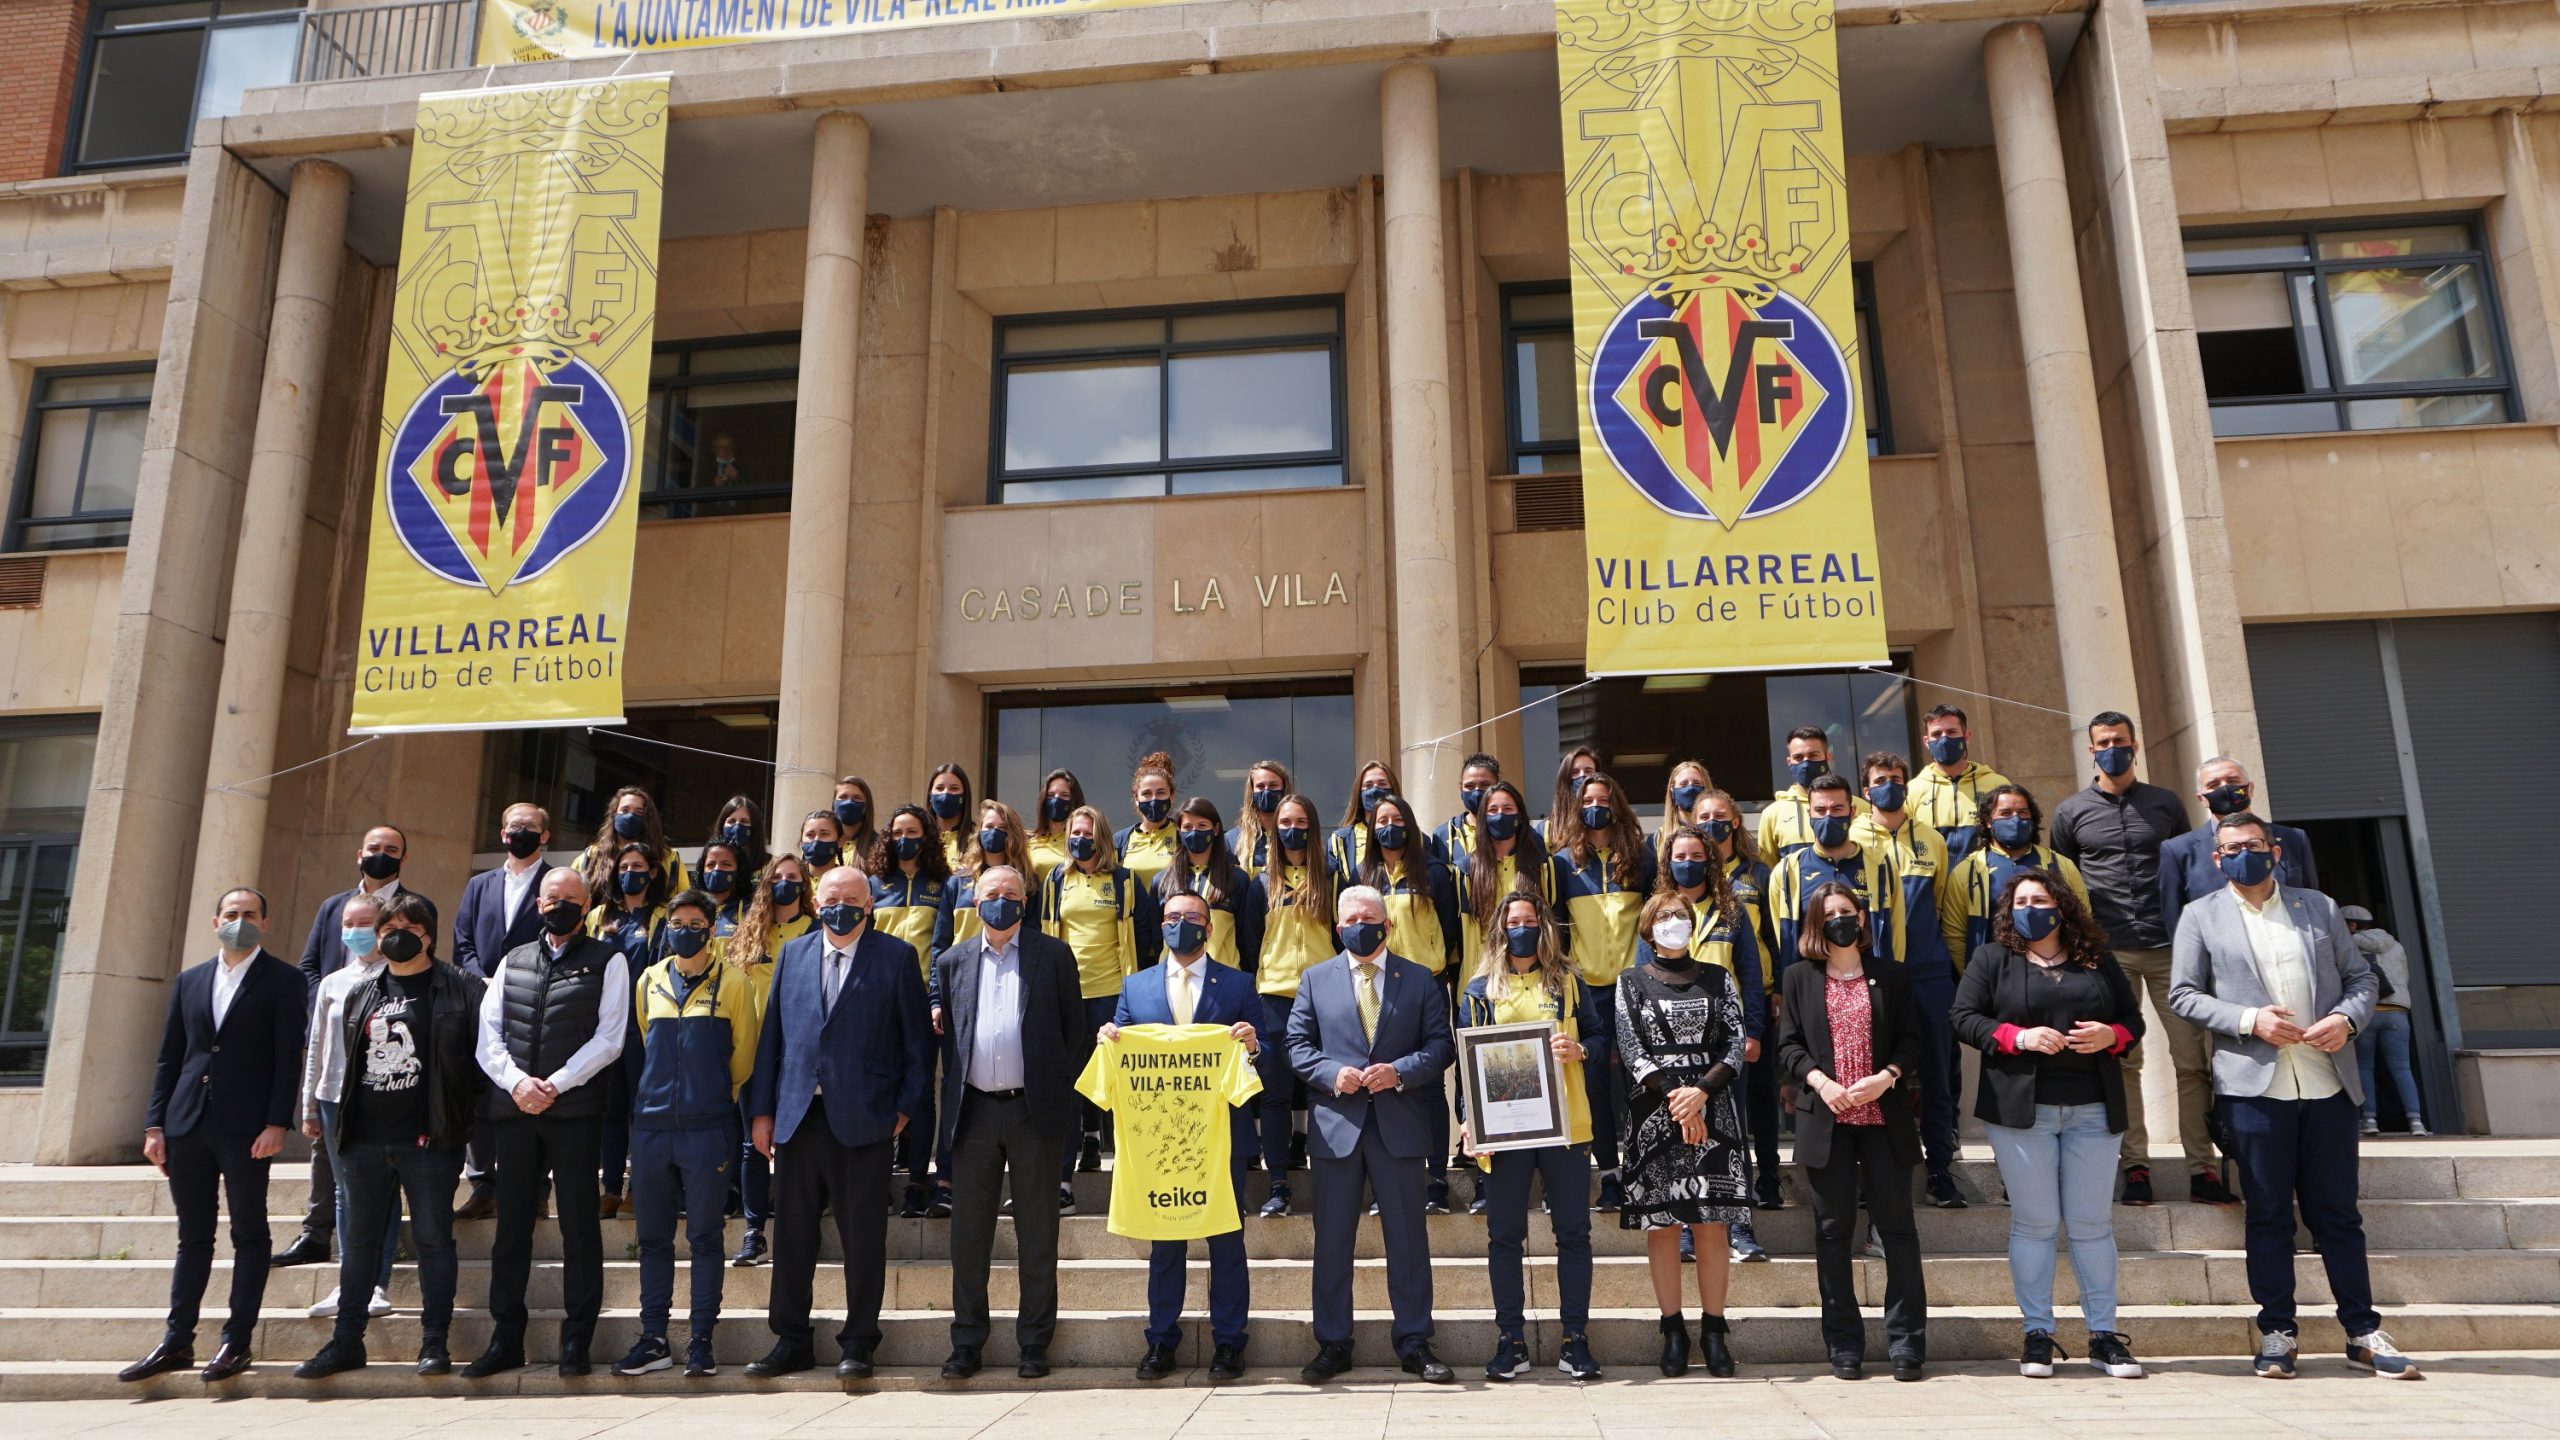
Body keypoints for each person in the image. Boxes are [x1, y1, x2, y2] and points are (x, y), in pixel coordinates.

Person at [2168, 813, 2416, 1379]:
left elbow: (2362, 980)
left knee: (2338, 1215)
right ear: (2216, 858)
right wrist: (2249, 1018)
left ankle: (2362, 1331)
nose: (2241, 855)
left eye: (2252, 846)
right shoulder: (2199, 916)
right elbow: (2183, 994)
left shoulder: (2319, 907)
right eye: (2230, 848)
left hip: (2327, 1081)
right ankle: (2277, 1331)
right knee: (2269, 1215)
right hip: (2254, 1089)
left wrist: (2347, 1022)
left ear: (2275, 852)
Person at [1948, 871, 2148, 1382]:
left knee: (2091, 1225)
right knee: (2035, 1224)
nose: (2030, 908)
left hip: (2094, 1109)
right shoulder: (1992, 958)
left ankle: (2104, 1338)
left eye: (2040, 899)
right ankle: (2038, 1335)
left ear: (2061, 907)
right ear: (2007, 910)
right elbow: (1964, 1017)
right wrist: (2017, 1037)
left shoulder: (2096, 959)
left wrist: (2112, 1034)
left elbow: (2134, 1020)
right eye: (2021, 901)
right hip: (2023, 1114)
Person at [745, 865, 932, 1380]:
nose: (839, 906)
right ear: (816, 902)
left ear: (869, 905)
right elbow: (772, 1041)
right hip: (798, 1118)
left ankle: (859, 1342)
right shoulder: (794, 953)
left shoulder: (895, 958)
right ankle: (791, 1339)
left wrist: (905, 1110)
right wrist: (763, 1113)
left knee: (864, 1239)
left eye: (851, 898)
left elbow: (918, 1046)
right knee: (793, 1238)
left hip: (866, 1120)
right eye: (830, 897)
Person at [293, 893, 484, 1378]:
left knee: (433, 1239)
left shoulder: (461, 988)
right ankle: (346, 1341)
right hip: (363, 1141)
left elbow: (481, 1064)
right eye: (388, 927)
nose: (397, 934)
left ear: (428, 932)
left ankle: (434, 1343)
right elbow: (346, 1064)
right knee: (357, 1242)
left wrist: (462, 1124)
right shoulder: (361, 991)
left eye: (409, 926)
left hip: (430, 1141)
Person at [122, 887, 304, 1384]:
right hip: (186, 1125)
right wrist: (154, 1123)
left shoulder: (285, 981)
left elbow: (289, 1058)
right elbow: (169, 1057)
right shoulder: (190, 980)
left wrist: (276, 1122)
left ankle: (236, 1342)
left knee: (249, 1232)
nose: (239, 921)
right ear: (214, 921)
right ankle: (177, 1340)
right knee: (193, 1236)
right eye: (231, 914)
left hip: (248, 1130)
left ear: (265, 923)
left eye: (249, 914)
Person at [1286, 885, 1457, 1384]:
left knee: (1408, 1240)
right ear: (1338, 928)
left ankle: (1415, 1342)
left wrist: (1400, 1071)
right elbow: (1296, 1045)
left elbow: (1441, 1045)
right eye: (1352, 919)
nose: (1361, 925)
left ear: (1387, 924)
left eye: (1370, 917)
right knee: (1332, 1243)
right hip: (1337, 1128)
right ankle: (1333, 1343)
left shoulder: (1421, 979)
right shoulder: (1315, 980)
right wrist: (1330, 1073)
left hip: (1399, 1127)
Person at [467, 866, 628, 1378]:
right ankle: (505, 1339)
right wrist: (518, 1084)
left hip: (575, 1114)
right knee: (512, 1229)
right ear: (538, 904)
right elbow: (487, 1037)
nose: (560, 905)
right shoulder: (512, 961)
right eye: (551, 897)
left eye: (571, 898)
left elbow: (610, 1039)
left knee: (580, 1227)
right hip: (515, 1114)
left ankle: (576, 1341)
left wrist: (554, 1085)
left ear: (587, 906)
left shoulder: (610, 960)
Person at [933, 864, 1093, 1380]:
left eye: (1010, 893)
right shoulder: (952, 961)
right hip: (974, 1111)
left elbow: (1077, 1034)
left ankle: (1034, 1343)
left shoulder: (1053, 954)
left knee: (1038, 1232)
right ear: (974, 903)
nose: (1000, 901)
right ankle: (966, 1343)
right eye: (990, 894)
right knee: (968, 1236)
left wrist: (1055, 1089)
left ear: (1025, 901)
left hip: (1034, 1111)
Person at [2049, 710, 2213, 1207]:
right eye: (2102, 742)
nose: (2111, 748)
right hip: (2108, 953)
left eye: (2119, 740)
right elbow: (2064, 884)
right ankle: (2135, 1167)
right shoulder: (2071, 812)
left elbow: (2186, 867)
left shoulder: (2165, 803)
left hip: (2170, 949)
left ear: (2134, 746)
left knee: (2192, 1060)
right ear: (2091, 750)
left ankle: (2202, 1167)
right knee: (2122, 1061)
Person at [1106, 888, 1262, 1382]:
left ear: (1209, 927)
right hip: (1160, 1140)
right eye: (1172, 917)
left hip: (1220, 1138)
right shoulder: (1136, 986)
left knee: (1226, 1239)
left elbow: (1266, 1054)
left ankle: (1230, 1342)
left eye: (1192, 917)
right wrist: (1110, 1040)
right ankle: (1160, 1340)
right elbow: (1124, 1047)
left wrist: (1254, 1045)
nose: (1181, 924)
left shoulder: (1237, 985)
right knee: (1165, 1242)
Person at [1779, 882, 1928, 1382]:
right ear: (1816, 925)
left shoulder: (1893, 975)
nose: (1841, 919)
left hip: (1883, 1119)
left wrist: (1886, 1077)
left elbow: (1913, 1039)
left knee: (1899, 1231)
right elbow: (1789, 1047)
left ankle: (1907, 1344)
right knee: (1832, 1233)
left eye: (1848, 911)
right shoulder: (1799, 977)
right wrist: (1821, 1083)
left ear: (1862, 918)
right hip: (1828, 1121)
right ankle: (1844, 1346)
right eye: (1830, 913)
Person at [615, 888, 761, 1378]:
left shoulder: (735, 982)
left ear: (711, 927)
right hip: (653, 1128)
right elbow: (643, 1039)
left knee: (704, 1237)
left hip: (708, 1128)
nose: (684, 929)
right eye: (677, 921)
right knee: (652, 1239)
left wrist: (713, 1096)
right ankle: (653, 1338)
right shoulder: (649, 979)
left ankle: (701, 1340)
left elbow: (743, 1057)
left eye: (695, 922)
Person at [1459, 891, 1601, 1382]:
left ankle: (1575, 1340)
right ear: (1500, 929)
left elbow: (1602, 1041)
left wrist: (1579, 1049)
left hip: (1565, 1129)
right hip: (1504, 1133)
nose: (1521, 928)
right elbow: (1468, 1065)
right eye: (1512, 921)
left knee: (1573, 1235)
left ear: (1545, 927)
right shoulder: (1479, 990)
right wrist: (1469, 1123)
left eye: (1530, 920)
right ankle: (1510, 1341)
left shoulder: (1569, 982)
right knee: (1504, 1237)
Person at [1618, 890, 1753, 1378]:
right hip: (1654, 1113)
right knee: (1665, 1227)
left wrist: (1699, 1094)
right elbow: (1632, 1050)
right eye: (1663, 916)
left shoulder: (1719, 978)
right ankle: (1672, 1330)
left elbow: (1736, 1043)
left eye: (1680, 915)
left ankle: (1714, 1331)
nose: (1672, 922)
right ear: (1648, 927)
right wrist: (1679, 1100)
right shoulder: (1630, 981)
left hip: (1713, 1110)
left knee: (1712, 1223)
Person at [1851, 752, 1965, 1209]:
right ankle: (1869, 1176)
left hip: (1927, 971)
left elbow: (1938, 903)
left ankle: (1940, 1169)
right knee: (1869, 1073)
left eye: (1897, 779)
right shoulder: (1855, 836)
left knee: (1937, 1073)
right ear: (1866, 790)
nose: (1890, 786)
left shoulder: (1931, 839)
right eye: (1881, 780)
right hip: (1871, 974)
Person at [1655, 824, 1771, 1260]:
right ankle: (1686, 1226)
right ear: (1668, 862)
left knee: (1731, 1134)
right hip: (1673, 1042)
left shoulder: (1732, 910)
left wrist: (1753, 1030)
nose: (1688, 863)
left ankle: (1739, 1227)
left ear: (1711, 860)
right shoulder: (1659, 911)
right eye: (1679, 856)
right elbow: (1641, 978)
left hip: (1726, 1041)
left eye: (1696, 855)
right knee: (1681, 1132)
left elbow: (1751, 976)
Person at [1550, 770, 1657, 1212]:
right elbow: (1555, 926)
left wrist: (1645, 971)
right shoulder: (1561, 862)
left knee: (1641, 1081)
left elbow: (1652, 917)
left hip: (1635, 988)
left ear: (1617, 804)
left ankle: (1644, 1170)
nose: (1596, 806)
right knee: (1594, 1084)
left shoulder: (1641, 856)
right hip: (1587, 991)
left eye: (1604, 799)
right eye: (1588, 799)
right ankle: (1611, 1175)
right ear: (1577, 806)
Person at [293, 890, 399, 1324]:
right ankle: (349, 1279)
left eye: (365, 925)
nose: (356, 933)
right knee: (344, 1191)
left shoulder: (398, 976)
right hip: (335, 1097)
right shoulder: (333, 982)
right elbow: (318, 1043)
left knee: (384, 1191)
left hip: (384, 1095)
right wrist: (309, 1104)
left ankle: (378, 1283)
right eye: (349, 926)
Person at [450, 802, 556, 1218]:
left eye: (529, 827)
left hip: (535, 1004)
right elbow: (463, 941)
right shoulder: (480, 884)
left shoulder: (554, 882)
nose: (520, 832)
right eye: (513, 826)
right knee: (481, 1094)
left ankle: (537, 1188)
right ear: (502, 833)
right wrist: (481, 979)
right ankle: (483, 1187)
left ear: (545, 836)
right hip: (482, 1002)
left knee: (534, 1092)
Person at [1359, 792, 1461, 1211]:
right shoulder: (1364, 875)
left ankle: (1437, 1177)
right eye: (1381, 818)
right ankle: (1390, 1182)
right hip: (1379, 984)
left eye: (1396, 818)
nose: (1389, 825)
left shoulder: (1434, 872)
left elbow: (1452, 930)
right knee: (1385, 1084)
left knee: (1431, 1085)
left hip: (1427, 985)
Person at [1045, 805, 1150, 1199]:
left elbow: (1145, 938)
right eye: (1075, 832)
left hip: (1114, 997)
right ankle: (1062, 1182)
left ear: (1101, 837)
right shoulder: (1057, 879)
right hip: (1068, 996)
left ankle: (1133, 1178)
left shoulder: (1124, 881)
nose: (1080, 840)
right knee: (1070, 1087)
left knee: (1123, 1088)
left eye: (1087, 834)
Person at [867, 804, 956, 1220]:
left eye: (914, 831)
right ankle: (878, 1179)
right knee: (881, 1091)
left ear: (927, 837)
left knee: (920, 1096)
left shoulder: (942, 884)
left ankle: (918, 1183)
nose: (906, 838)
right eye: (898, 830)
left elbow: (942, 946)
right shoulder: (873, 884)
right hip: (878, 1002)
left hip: (922, 1000)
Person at [1251, 793, 1337, 1217]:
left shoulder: (1332, 878)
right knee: (1276, 1096)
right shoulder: (1260, 884)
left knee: (1327, 1090)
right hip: (1274, 998)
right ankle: (1279, 1184)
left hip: (1326, 998)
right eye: (1284, 821)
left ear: (1312, 825)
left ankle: (1330, 1179)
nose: (1291, 828)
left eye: (1300, 820)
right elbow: (1253, 946)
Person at [724, 853, 813, 1256]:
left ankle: (799, 1224)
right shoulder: (748, 933)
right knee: (752, 1142)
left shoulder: (817, 929)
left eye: (793, 877)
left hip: (799, 1055)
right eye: (777, 877)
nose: (784, 883)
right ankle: (753, 1230)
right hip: (753, 1051)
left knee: (797, 1142)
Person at [1702, 790, 1785, 1210]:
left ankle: (1769, 1177)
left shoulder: (1759, 874)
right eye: (1703, 817)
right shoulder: (1690, 879)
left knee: (1762, 1093)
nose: (1712, 823)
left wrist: (1779, 990)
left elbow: (1774, 936)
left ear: (1735, 821)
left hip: (1759, 997)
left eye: (1720, 816)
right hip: (1710, 1010)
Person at [589, 841, 667, 1222]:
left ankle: (638, 1187)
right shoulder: (600, 916)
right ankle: (610, 1190)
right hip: (604, 1028)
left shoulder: (662, 918)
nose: (629, 873)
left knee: (642, 1111)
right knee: (611, 1112)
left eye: (638, 866)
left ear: (653, 872)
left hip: (643, 1027)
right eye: (623, 866)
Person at [2158, 757, 2321, 939]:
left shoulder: (2293, 839)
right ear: (2202, 799)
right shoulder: (2178, 851)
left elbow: (2312, 900)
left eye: (2233, 781)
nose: (2225, 788)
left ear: (2251, 789)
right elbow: (2176, 923)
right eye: (2214, 784)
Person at [1941, 785, 2092, 966]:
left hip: (2055, 970)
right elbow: (1955, 935)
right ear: (1988, 821)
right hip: (1995, 975)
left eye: (2022, 812)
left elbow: (2083, 918)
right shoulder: (1967, 871)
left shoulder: (2060, 865)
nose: (2015, 819)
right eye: (2005, 813)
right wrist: (1976, 977)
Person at [1771, 773, 1903, 968]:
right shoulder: (1788, 871)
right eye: (1820, 810)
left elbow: (1896, 930)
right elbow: (1782, 938)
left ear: (1852, 812)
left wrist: (1894, 978)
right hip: (1813, 986)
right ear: (1809, 815)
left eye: (1836, 809)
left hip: (1870, 984)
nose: (1828, 817)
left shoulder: (1880, 865)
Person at [2342, 906, 2428, 1136]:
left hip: (2368, 1013)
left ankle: (2369, 1120)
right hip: (2397, 1013)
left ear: (2352, 925)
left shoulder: (2348, 945)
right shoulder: (2396, 946)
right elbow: (2404, 978)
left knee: (2364, 1067)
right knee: (2402, 1068)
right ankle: (2416, 1122)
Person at [1160, 796, 1266, 975]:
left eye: (1202, 826)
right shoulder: (1163, 880)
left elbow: (1246, 938)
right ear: (1179, 830)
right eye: (1187, 827)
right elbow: (1157, 938)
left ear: (1216, 829)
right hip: (1173, 978)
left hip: (1224, 980)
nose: (1194, 832)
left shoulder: (1236, 879)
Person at [1908, 705, 2009, 861]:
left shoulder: (1997, 785)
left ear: (1967, 736)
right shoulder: (1912, 790)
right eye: (1936, 734)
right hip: (1937, 883)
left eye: (1951, 732)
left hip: (1986, 880)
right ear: (1926, 742)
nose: (1944, 739)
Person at [1760, 727, 1867, 861]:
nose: (1805, 763)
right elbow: (1768, 872)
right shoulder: (1772, 814)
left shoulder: (1860, 807)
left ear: (1828, 757)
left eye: (1813, 755)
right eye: (1798, 757)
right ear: (1789, 762)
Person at [946, 799, 1037, 951]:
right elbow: (941, 941)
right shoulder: (957, 881)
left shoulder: (1028, 881)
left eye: (1002, 828)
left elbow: (1033, 934)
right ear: (979, 831)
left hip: (1011, 966)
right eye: (989, 826)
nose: (994, 832)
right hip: (963, 968)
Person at [579, 785, 689, 893]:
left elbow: (685, 903)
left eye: (639, 812)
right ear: (614, 815)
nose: (630, 816)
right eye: (625, 810)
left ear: (648, 819)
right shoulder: (591, 856)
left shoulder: (669, 858)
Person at [1328, 758, 1405, 878]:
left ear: (1393, 789)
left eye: (1382, 784)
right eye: (1368, 785)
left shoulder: (1416, 836)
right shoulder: (1340, 841)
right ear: (1359, 794)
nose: (1374, 790)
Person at [1121, 753, 1182, 893]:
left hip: (1173, 914)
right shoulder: (1120, 841)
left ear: (1172, 797)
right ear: (1136, 798)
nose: (1154, 800)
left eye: (1160, 793)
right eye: (1147, 794)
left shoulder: (1183, 834)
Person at [1433, 752, 1501, 863]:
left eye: (1485, 785)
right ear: (1461, 789)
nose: (1477, 792)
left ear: (1498, 786)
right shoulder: (1442, 835)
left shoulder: (1513, 831)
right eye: (1469, 786)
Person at [1229, 759, 1294, 871]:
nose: (1267, 791)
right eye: (1260, 786)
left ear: (1284, 790)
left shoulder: (1295, 835)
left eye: (1273, 785)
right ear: (1252, 792)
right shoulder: (1233, 839)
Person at [1026, 768, 1088, 882]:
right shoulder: (1029, 844)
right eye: (1050, 795)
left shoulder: (1083, 840)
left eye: (1064, 795)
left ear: (1074, 800)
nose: (1056, 800)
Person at [1537, 747, 1599, 846]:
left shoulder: (1608, 825)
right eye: (1575, 772)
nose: (1582, 776)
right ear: (1565, 778)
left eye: (1588, 771)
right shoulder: (1546, 830)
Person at [705, 795, 771, 883]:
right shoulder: (710, 863)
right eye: (731, 821)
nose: (737, 827)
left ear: (755, 827)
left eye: (744, 821)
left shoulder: (770, 866)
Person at [927, 763, 975, 869]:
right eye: (939, 788)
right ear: (930, 795)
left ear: (964, 796)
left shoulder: (976, 838)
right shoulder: (920, 837)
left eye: (954, 788)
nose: (945, 794)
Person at [832, 775, 879, 869]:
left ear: (866, 806)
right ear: (834, 804)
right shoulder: (824, 844)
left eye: (857, 797)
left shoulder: (878, 846)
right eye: (843, 797)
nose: (849, 802)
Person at [796, 809, 848, 874]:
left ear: (840, 841)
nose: (816, 840)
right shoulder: (794, 881)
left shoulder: (849, 881)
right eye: (810, 835)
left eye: (824, 834)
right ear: (801, 842)